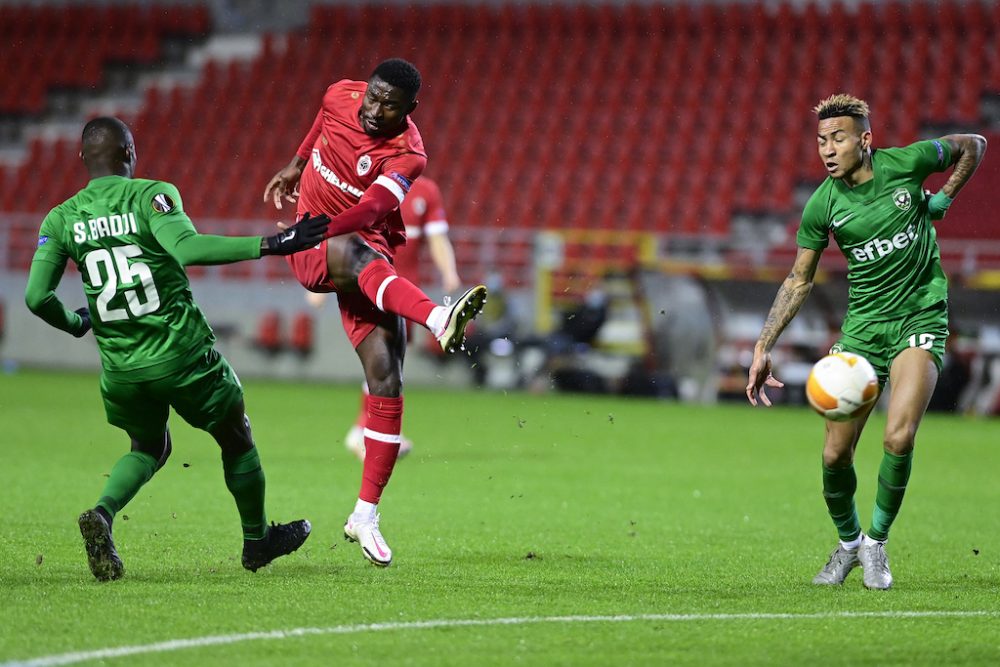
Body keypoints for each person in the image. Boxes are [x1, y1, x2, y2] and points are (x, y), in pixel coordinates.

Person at [25, 117, 329, 581]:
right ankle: (256, 542)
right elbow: (186, 248)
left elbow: (36, 297)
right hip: (183, 354)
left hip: (122, 367)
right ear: (130, 153)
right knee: (236, 435)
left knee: (149, 445)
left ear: (83, 159)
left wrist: (73, 324)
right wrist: (273, 243)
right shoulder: (152, 196)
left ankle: (104, 514)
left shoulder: (61, 218)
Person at [746, 94, 986, 590]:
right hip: (862, 331)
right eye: (820, 140)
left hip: (920, 316)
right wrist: (763, 344)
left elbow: (974, 145)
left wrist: (945, 197)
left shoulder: (909, 162)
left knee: (898, 436)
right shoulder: (823, 205)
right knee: (836, 455)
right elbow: (798, 279)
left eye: (837, 138)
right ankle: (849, 544)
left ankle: (877, 543)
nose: (827, 150)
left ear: (865, 139)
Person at [263, 59, 486, 567]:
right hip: (322, 247)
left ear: (411, 110)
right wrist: (299, 163)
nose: (375, 110)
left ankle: (365, 514)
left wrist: (320, 226)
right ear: (364, 88)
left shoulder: (408, 155)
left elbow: (368, 213)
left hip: (364, 249)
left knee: (386, 378)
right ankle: (436, 318)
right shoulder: (339, 93)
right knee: (348, 249)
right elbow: (322, 120)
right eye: (373, 97)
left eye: (390, 105)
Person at [324, 174, 462, 461]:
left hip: (406, 293)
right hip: (368, 284)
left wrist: (448, 271)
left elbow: (437, 238)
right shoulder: (363, 185)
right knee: (382, 358)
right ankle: (368, 433)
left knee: (391, 362)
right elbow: (339, 234)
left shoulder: (425, 191)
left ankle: (364, 430)